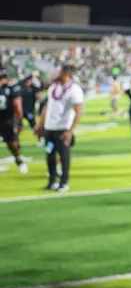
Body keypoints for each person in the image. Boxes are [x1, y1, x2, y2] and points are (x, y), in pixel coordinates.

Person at [35, 64, 83, 192]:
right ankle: (52, 181)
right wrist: (40, 124)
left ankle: (63, 182)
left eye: (60, 71)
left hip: (63, 127)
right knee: (50, 154)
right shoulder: (53, 88)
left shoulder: (74, 89)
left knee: (64, 155)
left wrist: (70, 130)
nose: (57, 74)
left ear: (67, 73)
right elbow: (47, 107)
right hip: (50, 127)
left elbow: (78, 111)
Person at [0, 68, 27, 173]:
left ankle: (19, 160)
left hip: (7, 120)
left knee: (13, 144)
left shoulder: (10, 88)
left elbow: (17, 106)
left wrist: (18, 121)